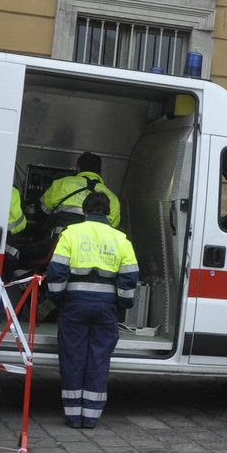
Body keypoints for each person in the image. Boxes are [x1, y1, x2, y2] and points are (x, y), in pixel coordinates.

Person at [46, 190, 138, 429]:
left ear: (84, 211)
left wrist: (58, 299)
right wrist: (122, 304)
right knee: (98, 360)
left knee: (73, 358)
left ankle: (73, 416)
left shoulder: (71, 233)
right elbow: (129, 278)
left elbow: (56, 271)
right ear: (108, 213)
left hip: (74, 306)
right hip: (106, 308)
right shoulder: (121, 238)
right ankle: (91, 417)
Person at [42, 151, 122, 228]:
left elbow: (44, 208)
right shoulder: (113, 198)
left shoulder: (62, 183)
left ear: (78, 168)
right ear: (100, 171)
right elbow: (113, 227)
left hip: (61, 235)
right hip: (93, 240)